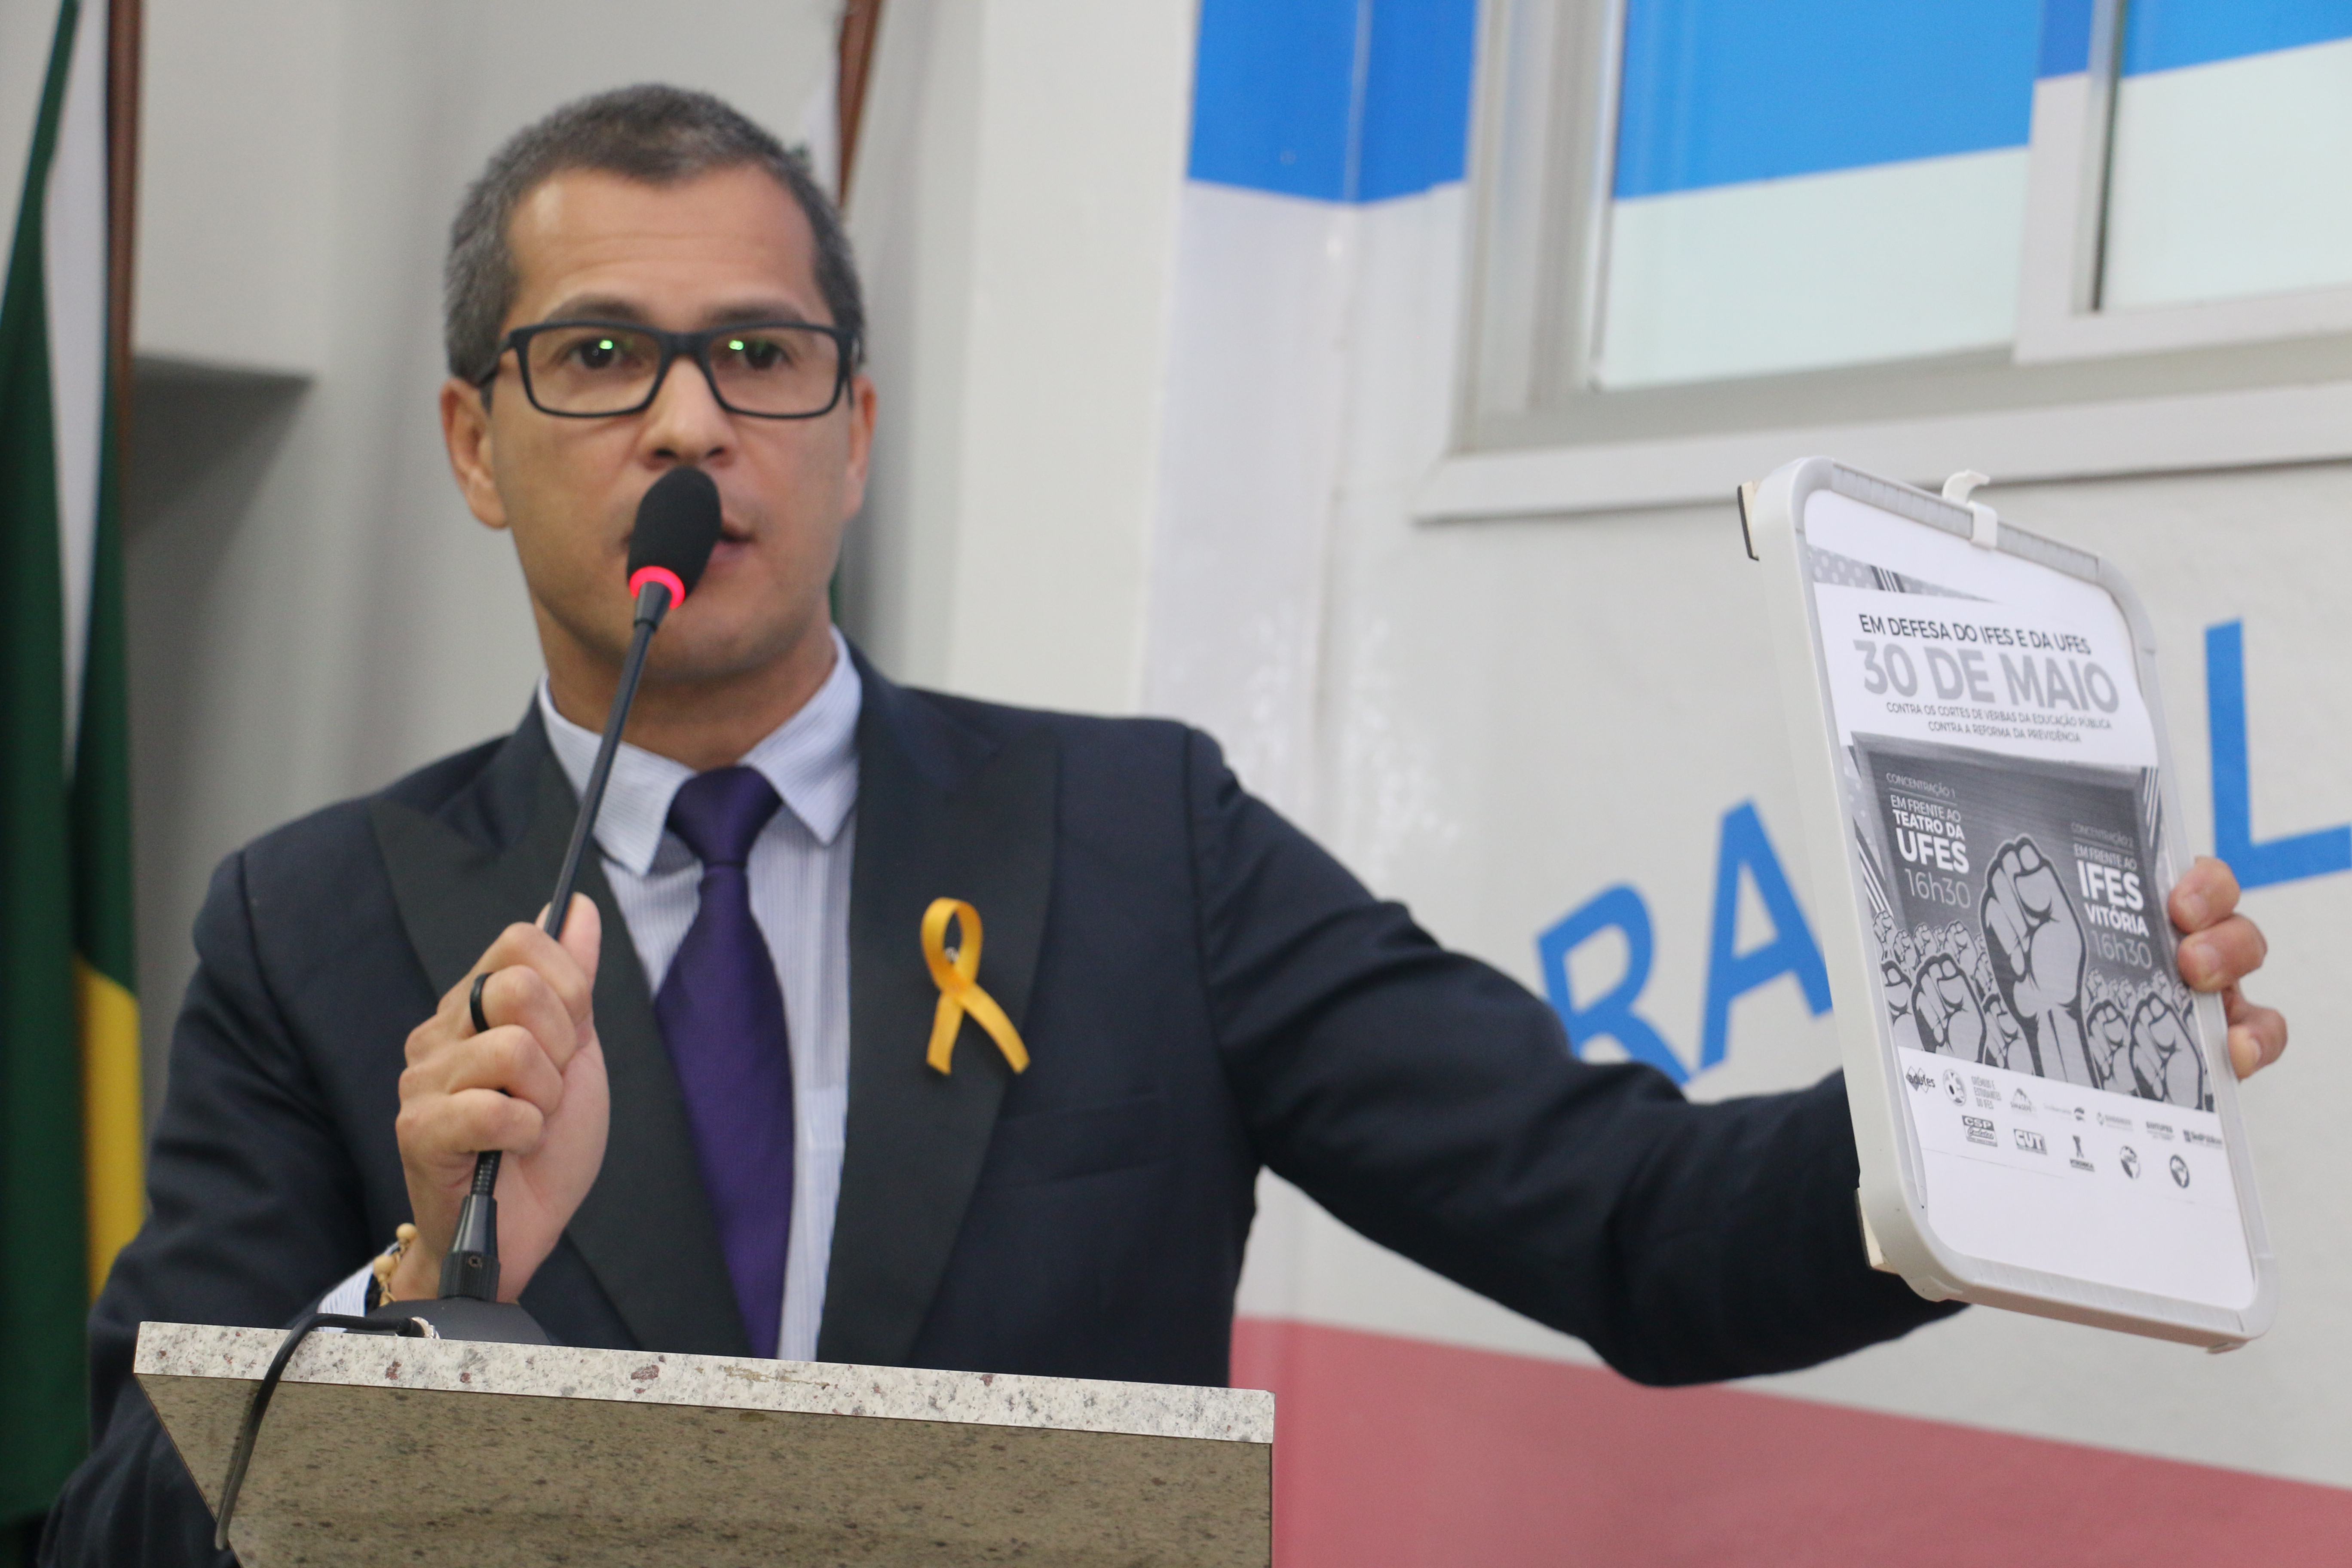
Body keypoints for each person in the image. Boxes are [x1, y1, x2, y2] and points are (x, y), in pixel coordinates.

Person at [41, 85, 2288, 1565]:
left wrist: (1999, 1093)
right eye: (604, 356)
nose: (695, 424)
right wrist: (420, 1282)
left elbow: (1628, 1221)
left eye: (763, 355)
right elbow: (126, 1522)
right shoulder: (311, 924)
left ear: (854, 427)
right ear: (473, 438)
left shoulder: (1138, 841)